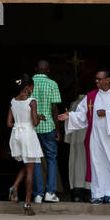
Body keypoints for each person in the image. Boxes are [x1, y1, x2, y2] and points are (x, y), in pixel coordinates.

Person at [57, 70, 110, 204]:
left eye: (99, 79)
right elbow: (82, 114)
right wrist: (71, 116)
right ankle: (98, 193)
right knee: (97, 164)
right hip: (96, 138)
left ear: (107, 80)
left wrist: (107, 113)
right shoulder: (91, 96)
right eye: (96, 79)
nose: (96, 81)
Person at [6, 75, 42, 215]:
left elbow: (9, 123)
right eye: (32, 87)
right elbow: (34, 123)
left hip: (16, 134)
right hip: (28, 134)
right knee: (31, 171)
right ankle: (27, 203)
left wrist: (19, 125)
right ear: (27, 87)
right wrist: (38, 117)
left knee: (26, 165)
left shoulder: (12, 101)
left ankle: (14, 187)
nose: (32, 90)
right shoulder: (32, 101)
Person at [30, 60, 62, 203]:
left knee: (36, 160)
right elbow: (54, 108)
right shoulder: (52, 84)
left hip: (32, 126)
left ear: (36, 69)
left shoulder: (29, 84)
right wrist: (58, 129)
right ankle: (50, 192)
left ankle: (37, 194)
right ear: (48, 71)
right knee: (51, 159)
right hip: (48, 126)